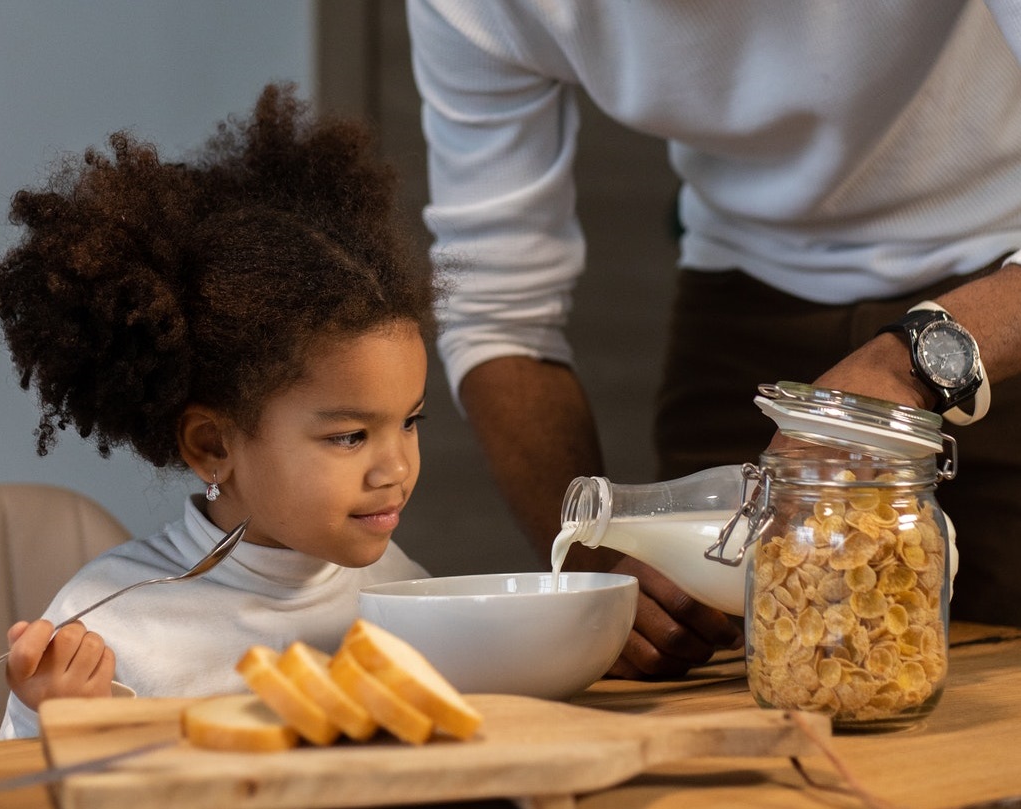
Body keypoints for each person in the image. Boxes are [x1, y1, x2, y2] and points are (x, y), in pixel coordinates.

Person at [406, 1, 1021, 679]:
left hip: (1000, 279)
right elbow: (495, 304)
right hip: (742, 301)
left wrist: (905, 366)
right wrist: (595, 571)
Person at [0, 84, 440, 738]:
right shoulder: (105, 627)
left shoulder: (410, 597)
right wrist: (46, 715)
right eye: (349, 436)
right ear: (213, 445)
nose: (395, 465)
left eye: (410, 421)